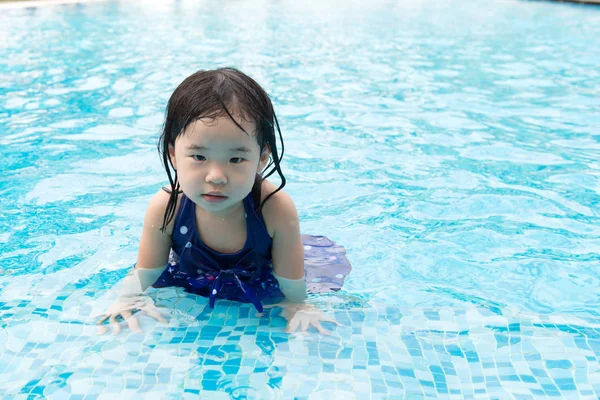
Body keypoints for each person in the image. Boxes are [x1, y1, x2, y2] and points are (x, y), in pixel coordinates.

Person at [97, 68, 347, 335]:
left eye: (236, 159)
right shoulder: (167, 208)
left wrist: (299, 305)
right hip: (192, 275)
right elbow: (147, 271)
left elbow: (292, 287)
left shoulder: (275, 209)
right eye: (199, 158)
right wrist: (127, 298)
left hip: (262, 277)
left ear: (262, 159)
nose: (216, 177)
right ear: (173, 154)